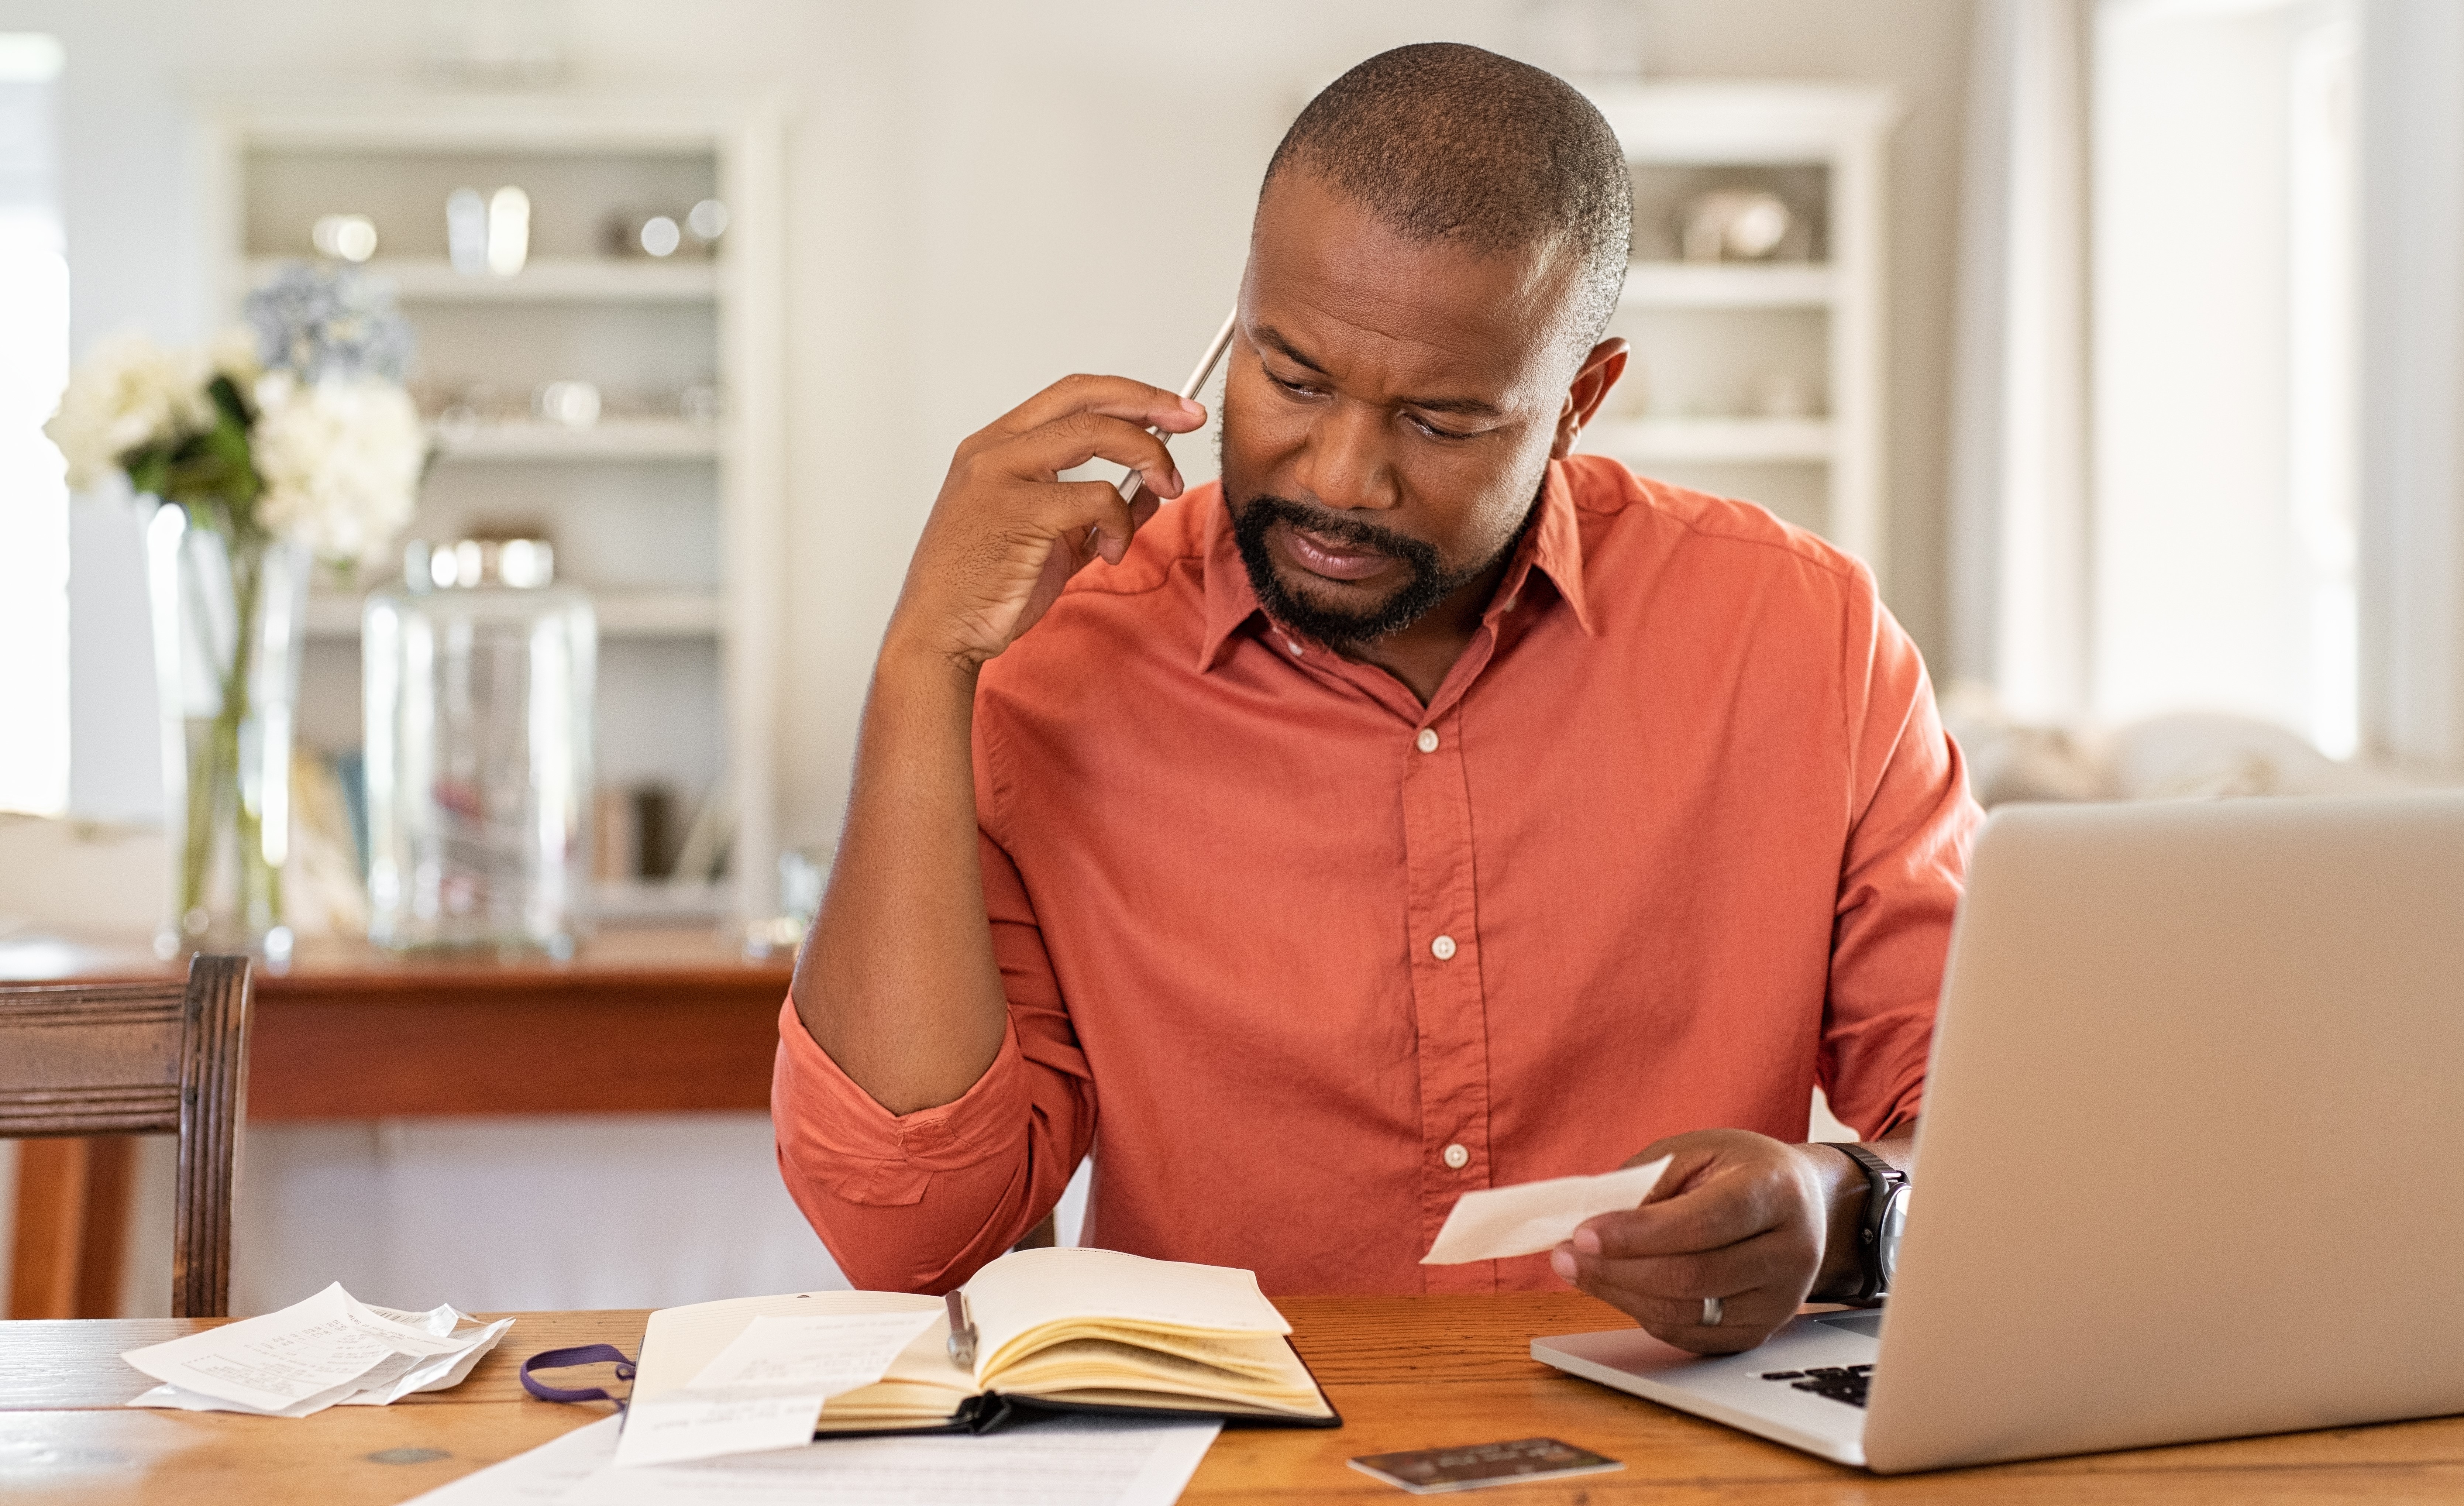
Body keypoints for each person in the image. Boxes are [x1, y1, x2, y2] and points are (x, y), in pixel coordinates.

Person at [774, 42, 1980, 1356]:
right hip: (1224, 1466)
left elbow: (1997, 1135)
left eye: (1445, 422)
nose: (1342, 478)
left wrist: (1842, 1200)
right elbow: (910, 1242)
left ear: (1578, 400)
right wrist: (920, 666)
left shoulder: (1807, 641)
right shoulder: (1057, 660)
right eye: (1290, 378)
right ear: (1232, 321)